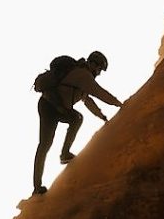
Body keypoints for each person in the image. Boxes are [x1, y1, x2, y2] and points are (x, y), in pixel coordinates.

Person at [32, 50, 123, 196]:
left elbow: (88, 101)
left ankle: (64, 154)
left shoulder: (81, 76)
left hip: (56, 107)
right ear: (93, 64)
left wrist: (102, 116)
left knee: (76, 119)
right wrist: (119, 104)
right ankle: (38, 186)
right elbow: (99, 92)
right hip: (49, 106)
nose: (99, 73)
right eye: (99, 69)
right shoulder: (83, 75)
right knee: (45, 144)